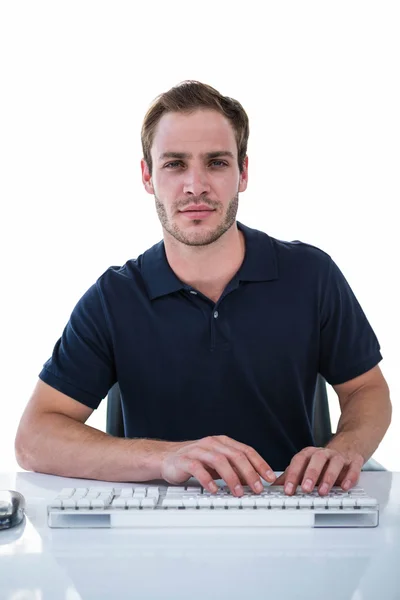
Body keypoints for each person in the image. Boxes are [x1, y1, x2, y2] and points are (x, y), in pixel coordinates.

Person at [15, 80, 391, 499]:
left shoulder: (311, 274)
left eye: (216, 163)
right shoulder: (113, 299)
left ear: (243, 172)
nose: (196, 185)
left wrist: (346, 448)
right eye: (175, 164)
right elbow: (34, 438)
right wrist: (166, 458)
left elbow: (366, 389)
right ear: (147, 176)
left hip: (289, 509)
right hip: (152, 529)